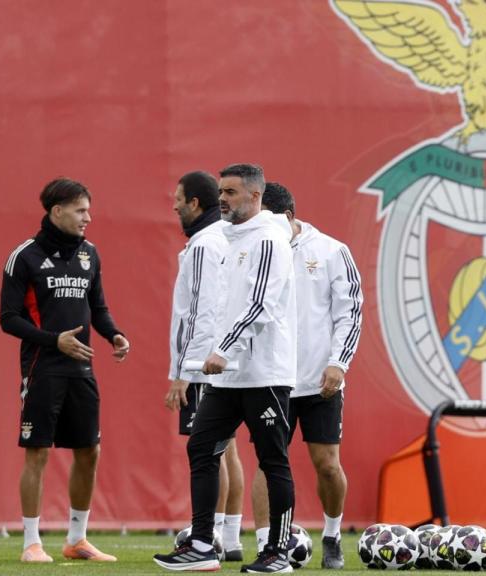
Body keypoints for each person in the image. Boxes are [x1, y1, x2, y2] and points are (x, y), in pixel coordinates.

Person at [154, 164, 297, 574]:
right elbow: (216, 306)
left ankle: (278, 553)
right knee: (201, 447)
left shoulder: (269, 239)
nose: (222, 199)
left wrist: (222, 348)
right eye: (220, 192)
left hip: (264, 373)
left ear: (255, 196)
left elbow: (260, 305)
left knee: (272, 460)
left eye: (231, 192)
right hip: (227, 375)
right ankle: (202, 545)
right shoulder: (228, 239)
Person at [0, 177, 130, 563]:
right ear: (57, 212)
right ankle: (31, 543)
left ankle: (77, 539)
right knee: (37, 451)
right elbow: (8, 318)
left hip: (82, 369)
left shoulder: (90, 254)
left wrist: (115, 334)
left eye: (89, 210)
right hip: (43, 368)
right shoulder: (24, 256)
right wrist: (53, 340)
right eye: (80, 210)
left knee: (90, 450)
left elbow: (98, 308)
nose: (88, 217)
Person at [252, 182, 363, 569]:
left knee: (327, 465)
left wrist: (339, 362)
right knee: (268, 462)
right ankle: (267, 546)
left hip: (320, 379)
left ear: (287, 216)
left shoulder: (332, 251)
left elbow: (350, 312)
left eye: (266, 221)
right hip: (272, 377)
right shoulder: (256, 250)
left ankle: (332, 536)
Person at [165, 171, 246, 561]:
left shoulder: (203, 244)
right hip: (221, 360)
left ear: (195, 203)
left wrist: (183, 372)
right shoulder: (224, 238)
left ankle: (208, 536)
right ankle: (230, 538)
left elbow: (200, 311)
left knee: (209, 451)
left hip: (205, 363)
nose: (174, 205)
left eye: (178, 198)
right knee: (227, 449)